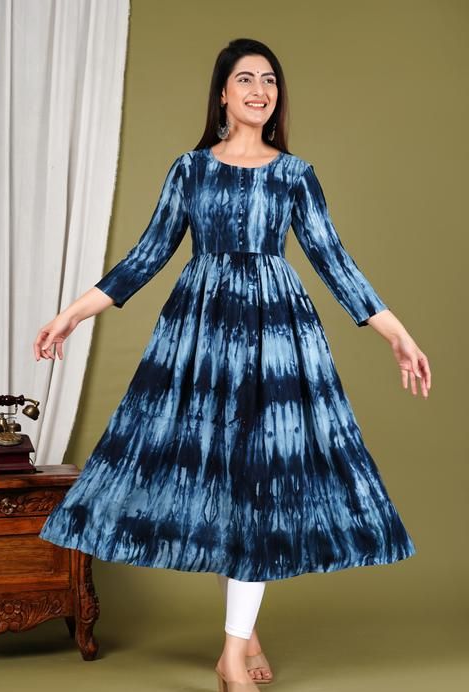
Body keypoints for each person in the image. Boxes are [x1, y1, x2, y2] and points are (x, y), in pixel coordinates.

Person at [33, 38, 431, 692]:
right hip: (201, 338)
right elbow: (148, 254)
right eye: (245, 79)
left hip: (276, 341)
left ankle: (231, 654)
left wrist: (397, 335)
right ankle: (242, 638)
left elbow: (334, 260)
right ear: (222, 94)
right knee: (221, 481)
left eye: (269, 80)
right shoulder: (190, 170)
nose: (259, 90)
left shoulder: (295, 174)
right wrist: (72, 314)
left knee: (258, 482)